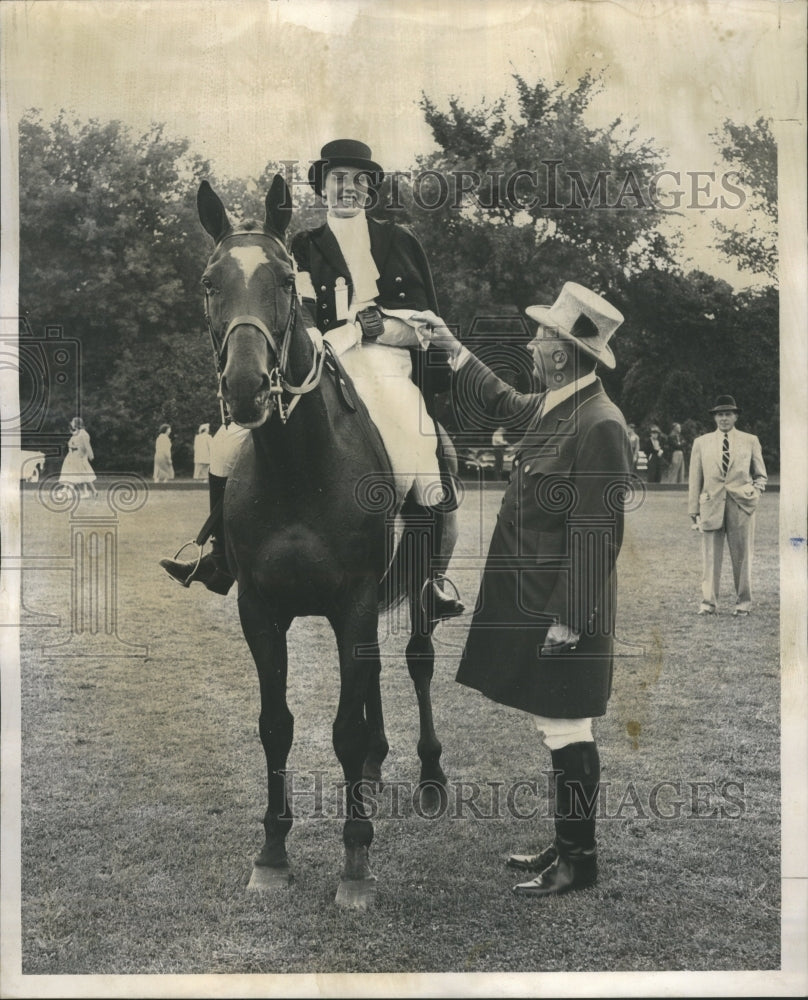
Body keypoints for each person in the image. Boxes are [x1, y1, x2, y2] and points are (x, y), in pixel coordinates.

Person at [161, 138, 463, 620]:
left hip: (386, 366)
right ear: (323, 188)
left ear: (369, 190)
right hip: (317, 360)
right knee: (223, 445)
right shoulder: (301, 246)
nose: (347, 188)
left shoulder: (399, 241)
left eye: (357, 180)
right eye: (337, 179)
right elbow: (295, 317)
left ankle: (428, 578)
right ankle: (218, 555)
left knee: (418, 456)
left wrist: (364, 330)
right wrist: (324, 341)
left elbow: (421, 326)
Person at [413, 281, 632, 898]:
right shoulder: (565, 405)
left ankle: (578, 860)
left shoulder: (599, 422)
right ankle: (567, 845)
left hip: (560, 608)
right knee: (557, 725)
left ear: (562, 352)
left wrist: (570, 616)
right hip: (538, 600)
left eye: (541, 335)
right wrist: (453, 348)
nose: (533, 343)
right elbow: (507, 402)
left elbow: (598, 530)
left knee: (568, 727)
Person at [688, 395, 767, 616]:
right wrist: (693, 510)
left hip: (742, 506)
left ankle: (743, 603)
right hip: (711, 505)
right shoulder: (701, 443)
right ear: (714, 417)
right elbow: (695, 479)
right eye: (720, 414)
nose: (724, 418)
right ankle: (708, 603)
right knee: (710, 558)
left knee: (742, 557)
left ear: (736, 416)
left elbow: (761, 475)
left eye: (728, 414)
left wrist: (755, 492)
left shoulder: (750, 440)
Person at [58, 416, 98, 499]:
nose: (71, 422)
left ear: (77, 423)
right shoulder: (77, 432)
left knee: (83, 473)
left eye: (72, 421)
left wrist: (91, 456)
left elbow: (87, 446)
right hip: (73, 456)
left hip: (79, 456)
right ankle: (89, 491)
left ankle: (70, 490)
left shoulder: (83, 434)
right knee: (82, 474)